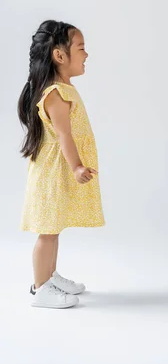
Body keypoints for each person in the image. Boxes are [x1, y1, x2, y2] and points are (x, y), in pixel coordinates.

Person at [18, 20, 105, 308]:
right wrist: (78, 166)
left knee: (54, 228)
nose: (86, 54)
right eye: (80, 48)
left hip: (57, 172)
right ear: (59, 55)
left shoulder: (63, 90)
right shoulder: (54, 94)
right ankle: (40, 286)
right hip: (52, 174)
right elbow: (64, 135)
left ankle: (49, 276)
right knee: (48, 231)